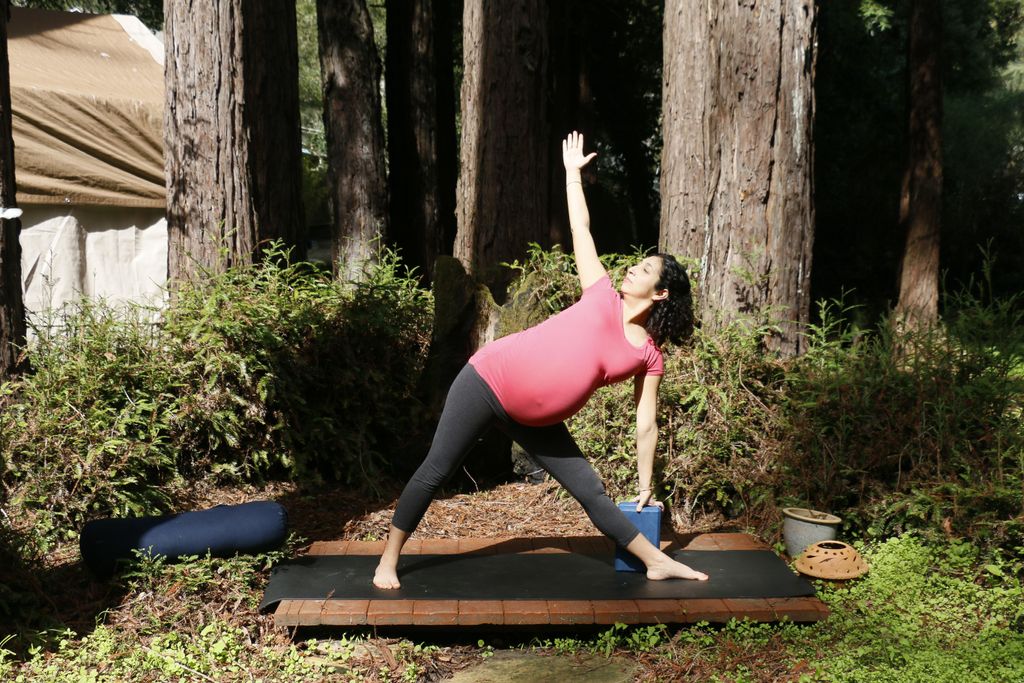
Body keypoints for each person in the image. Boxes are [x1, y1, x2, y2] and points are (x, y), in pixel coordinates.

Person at [373, 131, 710, 589]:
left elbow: (645, 421)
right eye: (637, 264)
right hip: (488, 380)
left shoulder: (649, 355)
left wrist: (646, 481)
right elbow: (581, 231)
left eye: (645, 270)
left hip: (535, 420)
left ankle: (655, 560)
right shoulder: (600, 293)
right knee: (436, 470)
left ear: (661, 293)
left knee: (591, 491)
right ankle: (387, 560)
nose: (633, 268)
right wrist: (572, 176)